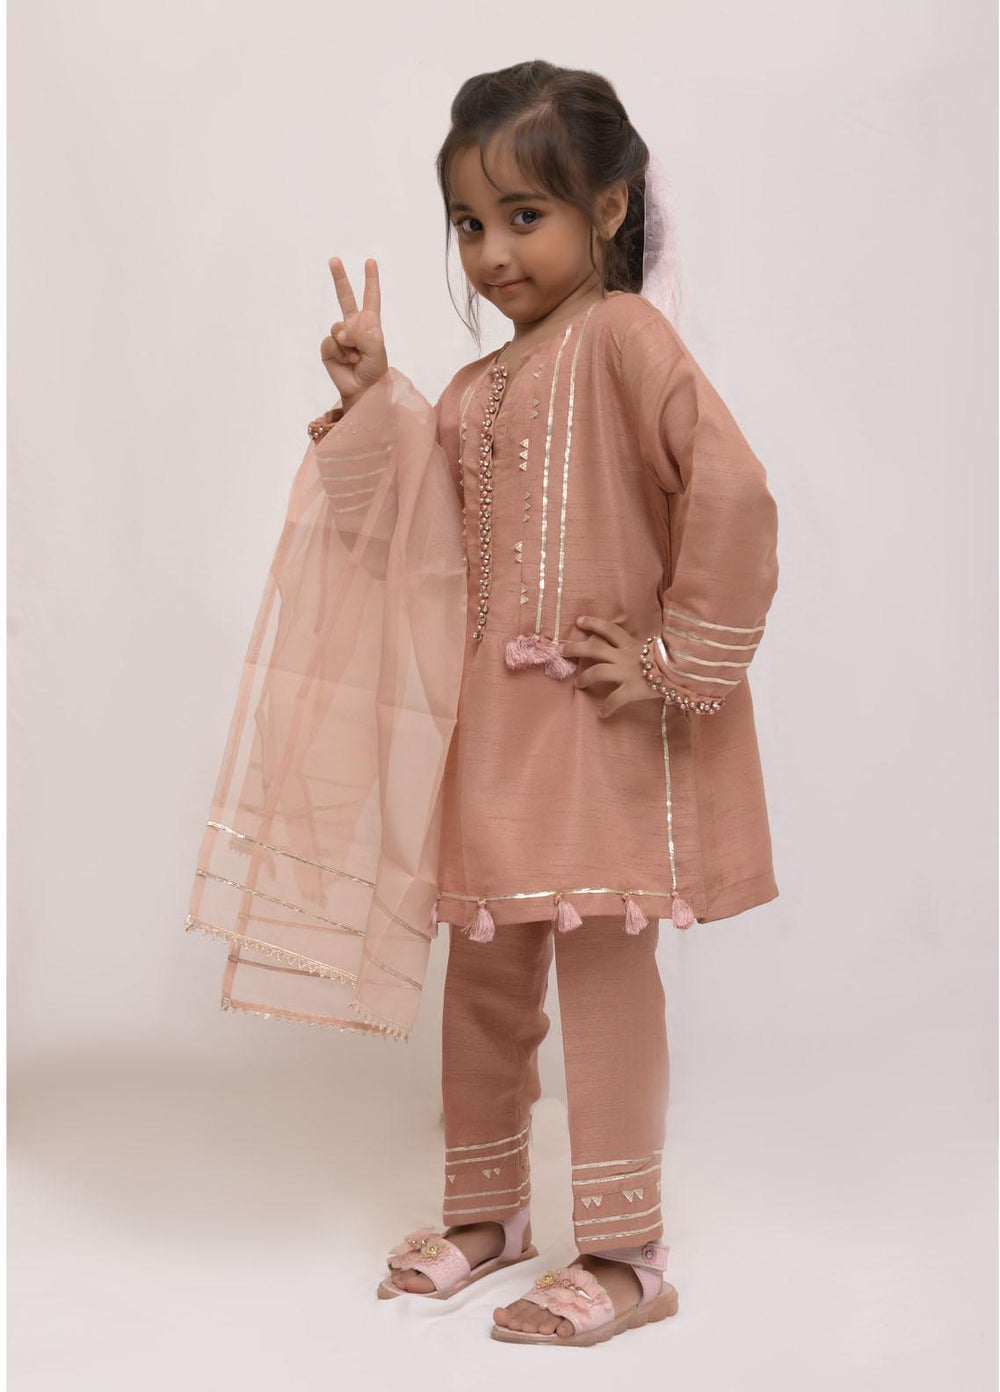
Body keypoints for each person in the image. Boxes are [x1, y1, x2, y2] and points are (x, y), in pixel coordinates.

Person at [185, 60, 779, 1347]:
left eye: (525, 215)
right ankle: (485, 1216)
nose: (493, 252)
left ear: (608, 209)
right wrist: (370, 400)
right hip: (495, 738)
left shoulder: (626, 341)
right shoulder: (468, 392)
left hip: (605, 740)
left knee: (605, 978)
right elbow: (408, 535)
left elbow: (732, 492)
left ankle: (625, 1253)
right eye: (469, 222)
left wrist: (675, 660)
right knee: (485, 979)